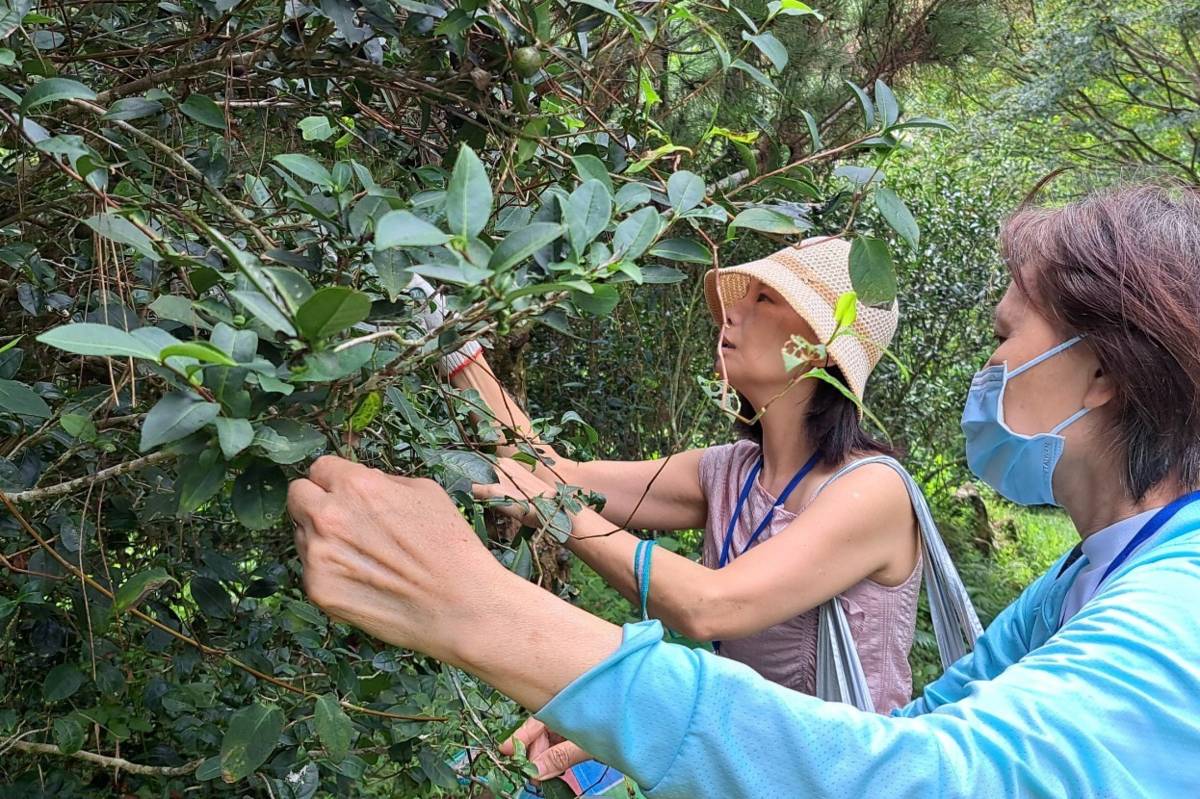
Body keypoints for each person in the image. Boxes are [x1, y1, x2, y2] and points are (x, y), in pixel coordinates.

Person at [290, 182, 1200, 797]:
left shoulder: (1169, 601)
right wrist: (461, 359)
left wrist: (481, 608)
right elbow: (551, 480)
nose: (991, 366)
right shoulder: (1084, 580)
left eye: (1007, 336)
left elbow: (723, 609)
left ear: (1102, 373)